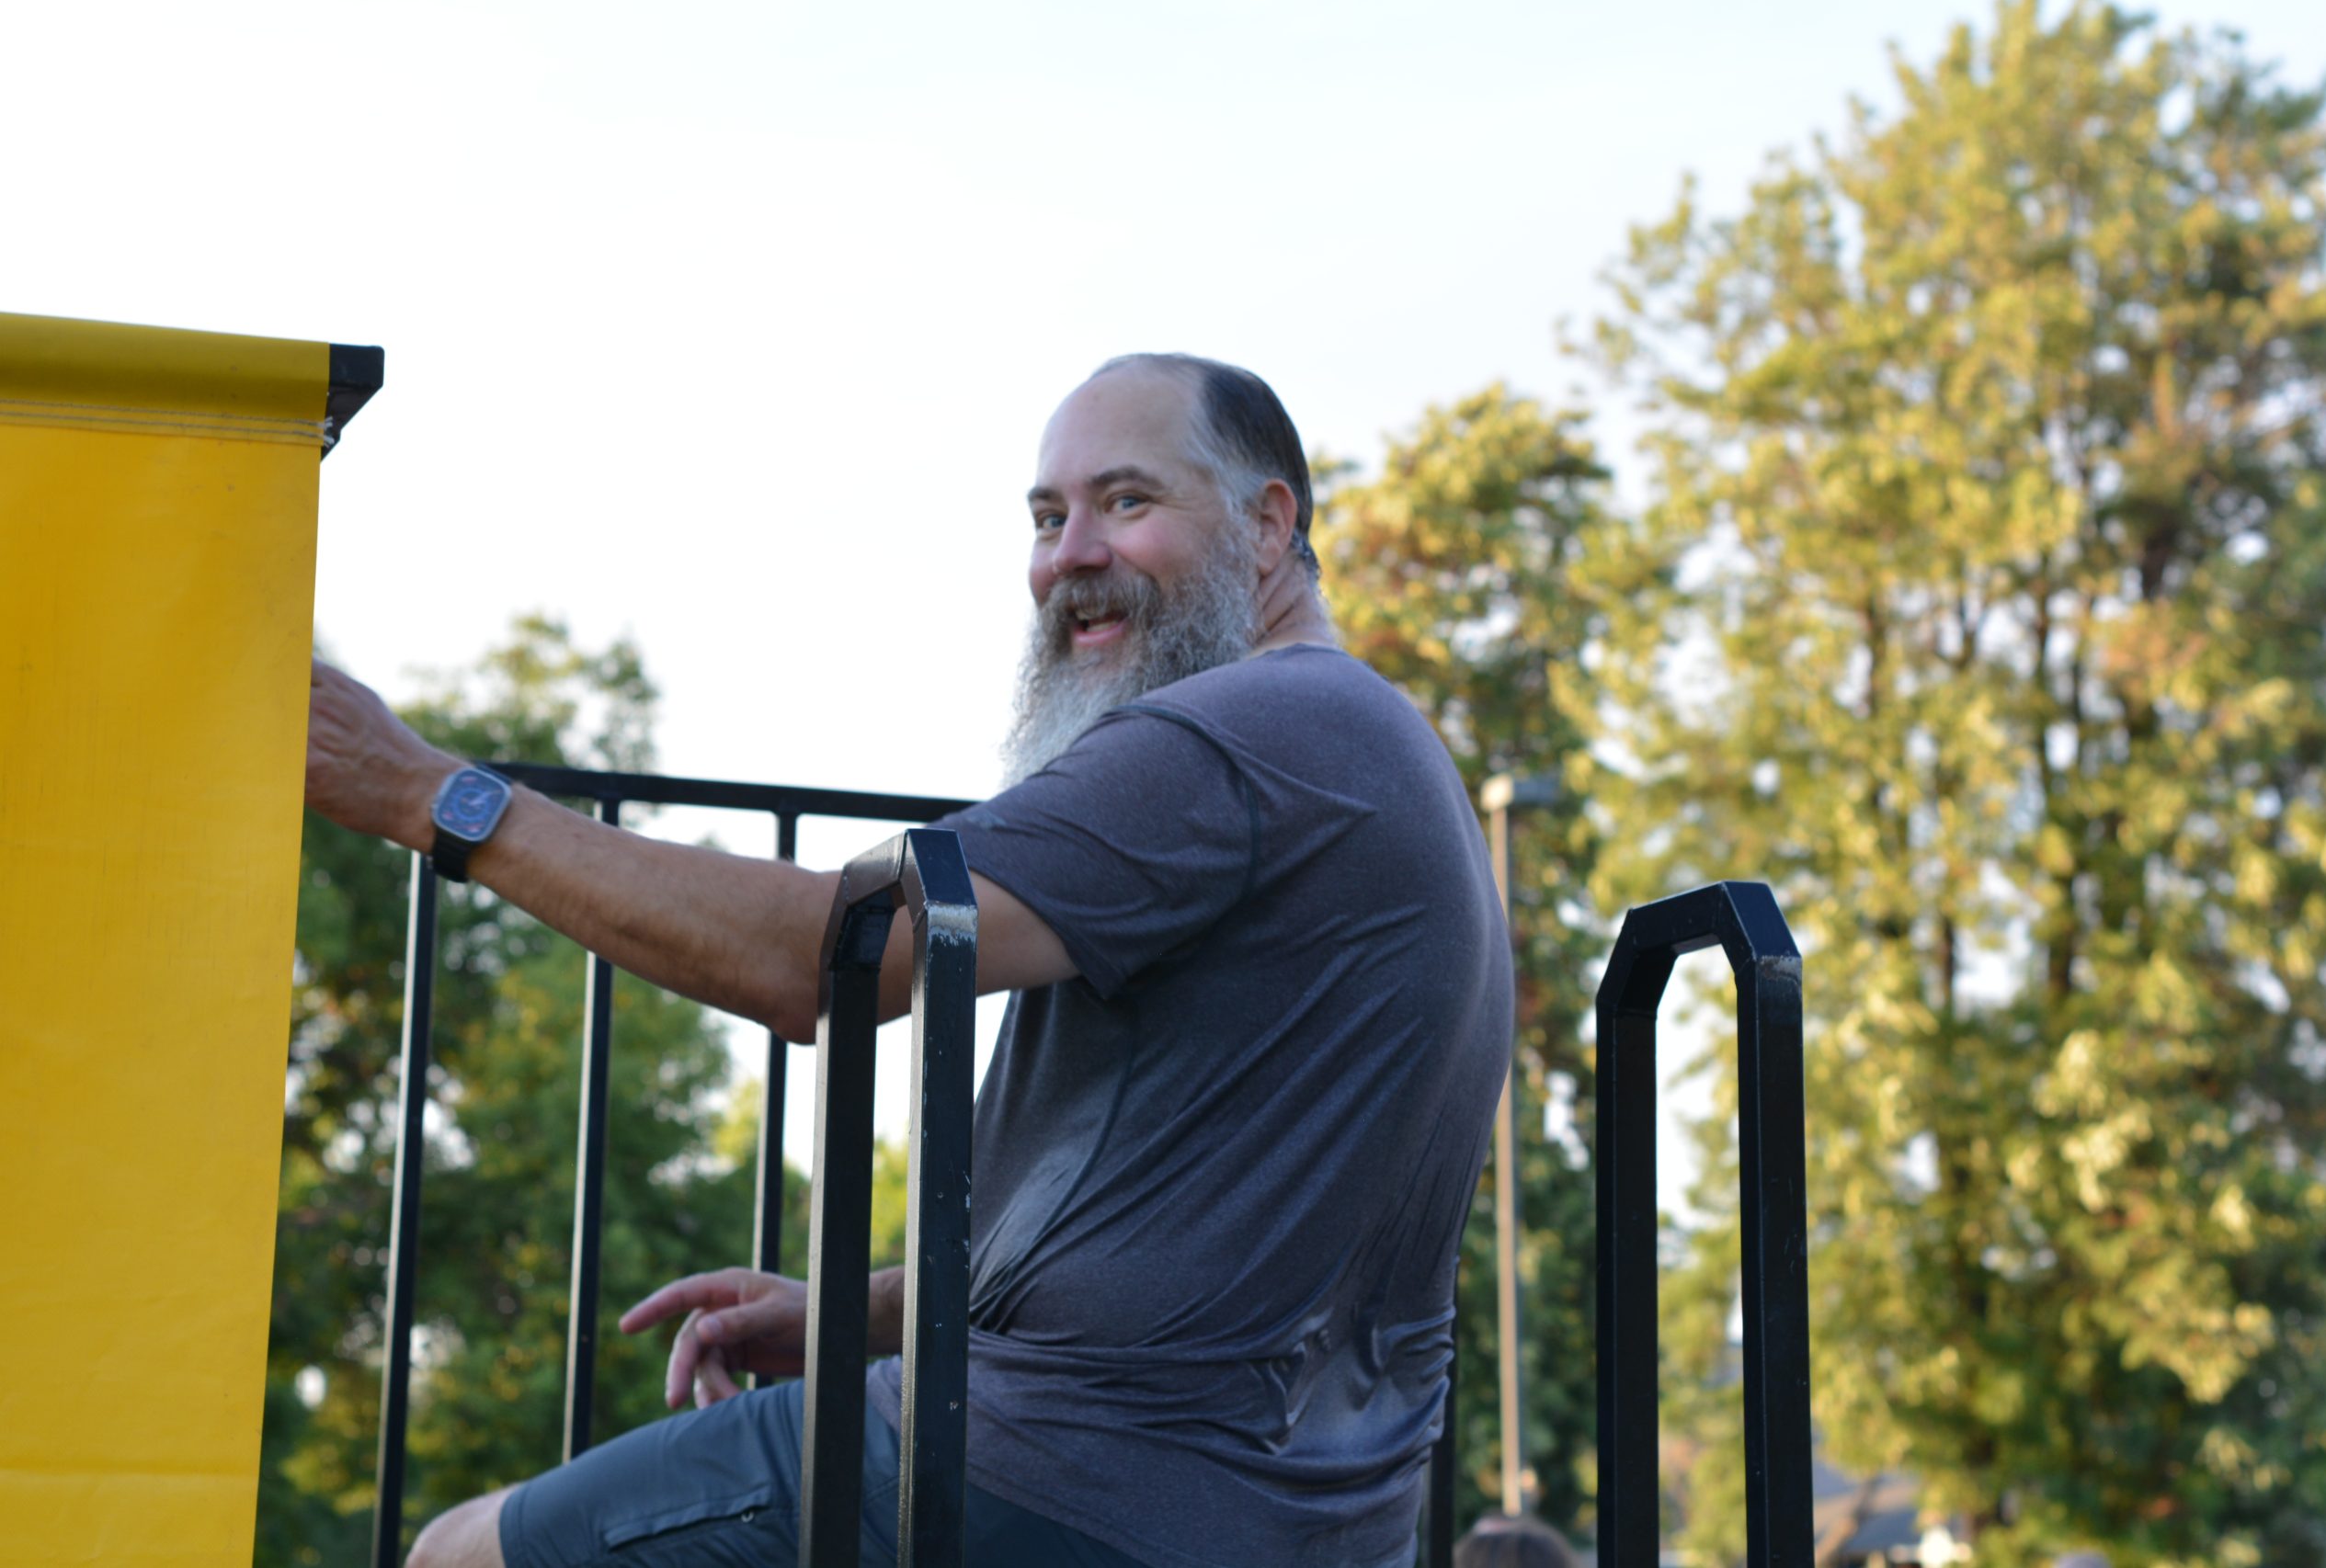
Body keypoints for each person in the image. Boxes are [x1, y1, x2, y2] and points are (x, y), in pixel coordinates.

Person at [305, 352, 1513, 1568]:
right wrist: (865, 1315)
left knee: (461, 1555)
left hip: (1063, 1479)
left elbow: (824, 957)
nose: (1068, 555)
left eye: (1127, 502)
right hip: (1308, 1529)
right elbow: (1210, 1262)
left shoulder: (1247, 735)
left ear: (1269, 525)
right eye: (1048, 517)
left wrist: (433, 799)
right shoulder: (1383, 757)